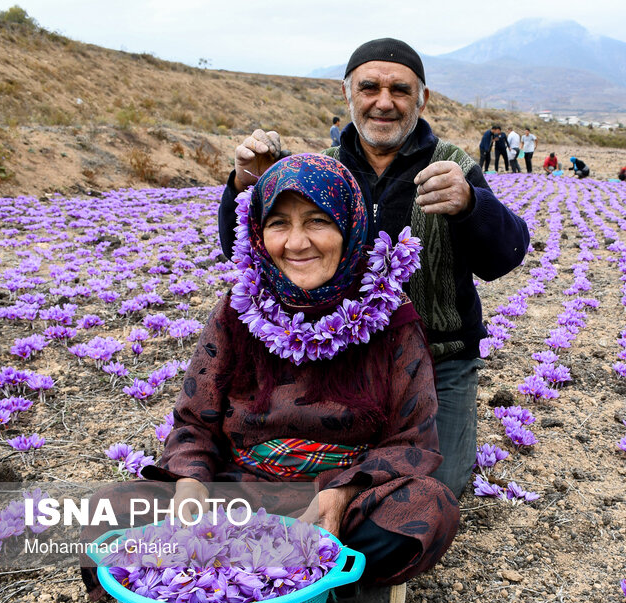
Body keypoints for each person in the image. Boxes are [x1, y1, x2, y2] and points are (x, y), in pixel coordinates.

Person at [83, 154, 460, 603]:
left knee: (428, 506)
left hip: (339, 496)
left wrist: (338, 495)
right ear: (259, 234)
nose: (297, 243)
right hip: (239, 493)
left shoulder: (390, 316)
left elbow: (412, 438)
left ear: (351, 227)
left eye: (318, 221)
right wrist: (190, 484)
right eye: (279, 224)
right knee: (107, 509)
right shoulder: (238, 310)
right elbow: (193, 421)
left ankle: (222, 581)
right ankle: (325, 589)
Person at [217, 38, 530, 499]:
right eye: (369, 88)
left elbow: (504, 257)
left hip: (440, 358)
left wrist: (470, 205)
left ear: (421, 99)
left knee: (428, 488)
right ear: (348, 94)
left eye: (400, 90)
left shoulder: (455, 166)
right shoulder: (323, 170)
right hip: (344, 359)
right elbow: (246, 249)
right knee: (299, 478)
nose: (384, 102)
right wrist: (248, 184)